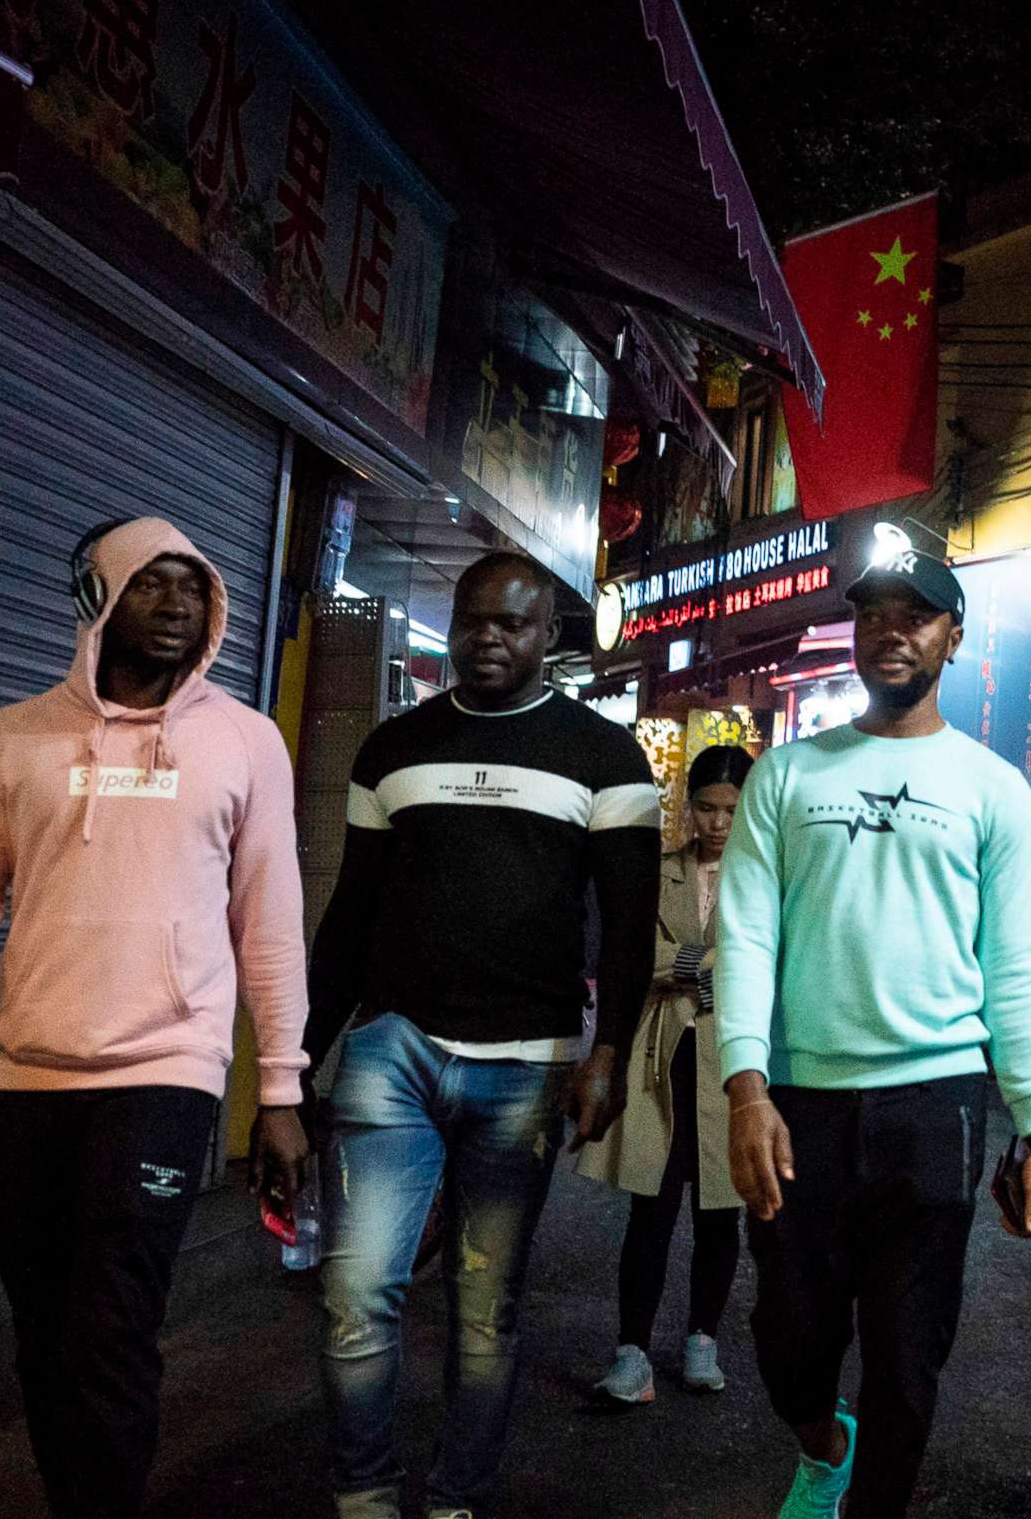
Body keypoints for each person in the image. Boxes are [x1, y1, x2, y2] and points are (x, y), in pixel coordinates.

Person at [0, 516, 310, 1519]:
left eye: (193, 588)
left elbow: (270, 923)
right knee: (47, 1336)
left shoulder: (245, 742)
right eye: (150, 585)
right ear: (96, 600)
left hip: (164, 1076)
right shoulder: (14, 738)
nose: (177, 605)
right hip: (24, 1080)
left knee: (109, 1333)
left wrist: (280, 1087)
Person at [303, 550, 661, 1519]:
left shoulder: (607, 760)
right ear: (454, 624)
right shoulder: (392, 750)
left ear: (550, 637)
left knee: (482, 1312)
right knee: (354, 1293)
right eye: (475, 622)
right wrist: (295, 1065)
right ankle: (365, 1497)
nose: (490, 640)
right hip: (393, 1051)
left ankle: (457, 1499)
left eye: (513, 625)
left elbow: (630, 929)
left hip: (529, 1067)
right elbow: (349, 915)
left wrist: (609, 1054)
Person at [714, 546, 1031, 1519]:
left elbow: (1012, 968)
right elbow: (744, 937)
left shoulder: (991, 790)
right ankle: (823, 1447)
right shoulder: (787, 777)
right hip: (798, 1104)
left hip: (936, 1105)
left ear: (953, 638)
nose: (892, 630)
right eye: (874, 613)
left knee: (908, 1366)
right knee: (789, 1340)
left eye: (917, 615)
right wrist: (746, 1089)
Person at [574, 741, 754, 1405]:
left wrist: (690, 963)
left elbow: (774, 960)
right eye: (706, 808)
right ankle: (632, 1355)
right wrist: (702, 967)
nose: (717, 824)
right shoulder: (658, 870)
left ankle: (702, 1339)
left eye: (731, 811)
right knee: (651, 1208)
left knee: (720, 1213)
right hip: (663, 1057)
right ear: (688, 806)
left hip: (734, 1064)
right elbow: (632, 952)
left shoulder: (766, 877)